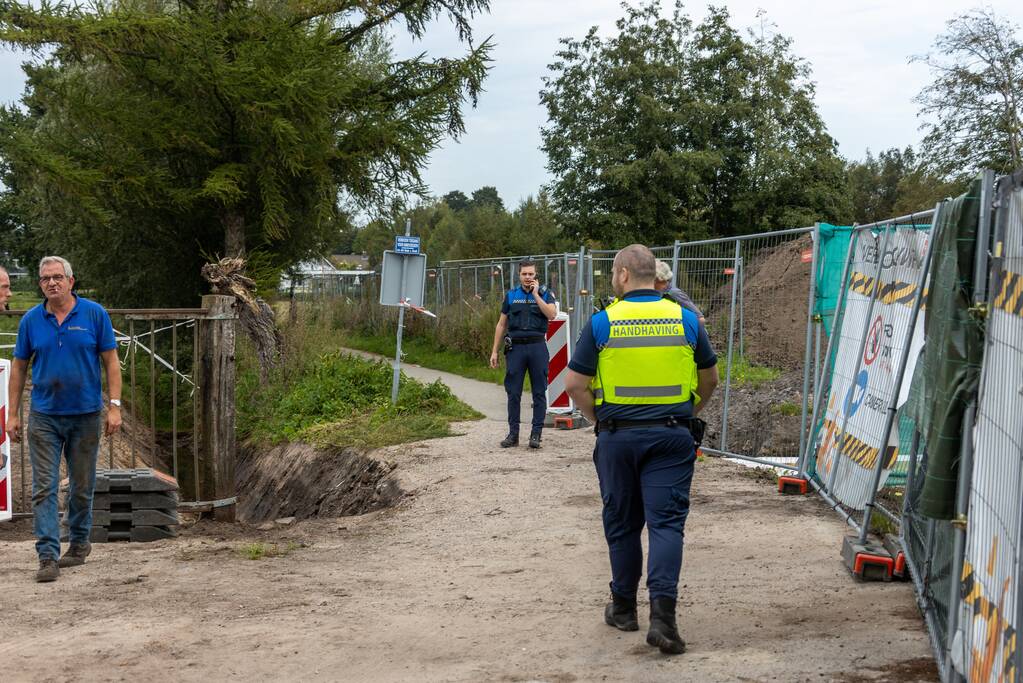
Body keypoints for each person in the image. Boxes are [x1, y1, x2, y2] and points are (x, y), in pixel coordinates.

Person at [564, 244, 718, 655]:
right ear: (655, 276)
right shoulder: (686, 320)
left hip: (618, 437)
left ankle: (623, 608)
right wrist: (687, 411)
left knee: (623, 523)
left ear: (624, 276)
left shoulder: (602, 323)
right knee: (666, 525)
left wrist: (601, 418)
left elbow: (574, 386)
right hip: (672, 436)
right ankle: (664, 621)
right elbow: (709, 379)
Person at [7, 256, 123, 583]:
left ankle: (80, 543)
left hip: (85, 415)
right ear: (40, 284)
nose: (52, 283)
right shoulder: (31, 320)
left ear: (71, 281)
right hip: (44, 415)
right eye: (45, 279)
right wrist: (13, 413)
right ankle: (47, 555)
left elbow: (112, 363)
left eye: (58, 277)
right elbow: (19, 367)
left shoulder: (94, 315)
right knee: (43, 487)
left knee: (82, 486)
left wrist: (114, 406)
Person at [489, 259, 557, 449]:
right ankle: (513, 434)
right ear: (519, 275)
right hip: (516, 349)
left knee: (539, 393)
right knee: (513, 393)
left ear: (536, 275)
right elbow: (501, 324)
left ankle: (536, 434)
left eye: (531, 274)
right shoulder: (511, 295)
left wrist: (536, 295)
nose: (528, 277)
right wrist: (494, 351)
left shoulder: (545, 294)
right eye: (524, 274)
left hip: (537, 347)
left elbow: (551, 314)